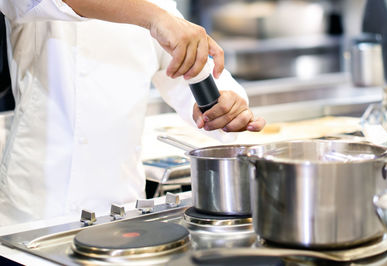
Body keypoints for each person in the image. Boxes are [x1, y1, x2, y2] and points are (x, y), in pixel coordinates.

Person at [0, 0, 265, 226]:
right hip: (37, 213)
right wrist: (154, 18)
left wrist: (226, 105)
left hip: (123, 210)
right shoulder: (153, 11)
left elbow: (187, 64)